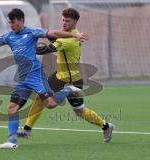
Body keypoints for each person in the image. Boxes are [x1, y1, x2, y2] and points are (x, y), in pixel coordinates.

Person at [0, 8, 89, 149]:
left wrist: (73, 36)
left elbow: (52, 33)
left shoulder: (32, 32)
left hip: (36, 76)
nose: (12, 26)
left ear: (21, 21)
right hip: (23, 80)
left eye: (14, 23)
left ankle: (69, 89)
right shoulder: (9, 36)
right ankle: (12, 142)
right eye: (10, 23)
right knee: (12, 108)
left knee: (50, 104)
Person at [17, 8, 114, 143]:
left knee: (79, 111)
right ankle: (27, 129)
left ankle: (106, 126)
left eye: (67, 21)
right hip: (59, 77)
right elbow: (54, 36)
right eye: (63, 20)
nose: (64, 23)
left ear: (75, 22)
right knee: (40, 98)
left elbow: (45, 50)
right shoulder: (70, 35)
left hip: (72, 81)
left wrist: (27, 47)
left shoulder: (69, 40)